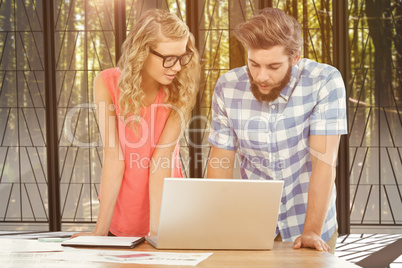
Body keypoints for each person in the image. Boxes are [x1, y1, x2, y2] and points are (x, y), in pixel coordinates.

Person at [207, 7, 347, 254]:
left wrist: (312, 231)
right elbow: (220, 162)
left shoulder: (324, 81)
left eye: (273, 66)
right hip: (251, 227)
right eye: (254, 64)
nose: (261, 76)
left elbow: (324, 163)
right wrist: (216, 225)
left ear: (295, 58)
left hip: (311, 223)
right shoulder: (227, 87)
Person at [72, 9, 200, 238]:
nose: (178, 67)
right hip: (122, 209)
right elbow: (114, 157)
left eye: (182, 57)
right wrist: (99, 232)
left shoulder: (179, 90)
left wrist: (156, 234)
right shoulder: (106, 83)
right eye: (169, 58)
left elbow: (161, 161)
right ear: (142, 52)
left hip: (165, 208)